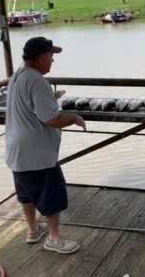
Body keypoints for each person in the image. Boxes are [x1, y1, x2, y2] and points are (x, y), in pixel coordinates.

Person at [5, 37, 86, 253]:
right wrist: (74, 118)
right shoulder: (37, 80)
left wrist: (51, 96)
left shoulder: (18, 75)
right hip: (36, 155)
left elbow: (32, 103)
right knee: (52, 194)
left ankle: (33, 230)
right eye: (51, 56)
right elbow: (51, 119)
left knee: (26, 192)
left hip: (17, 152)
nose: (52, 61)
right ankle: (54, 239)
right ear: (40, 57)